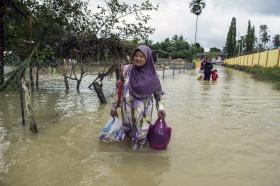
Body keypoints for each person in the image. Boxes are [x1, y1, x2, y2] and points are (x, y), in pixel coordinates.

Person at [110, 45, 166, 149]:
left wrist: (161, 108)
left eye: (142, 56)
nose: (138, 58)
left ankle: (139, 160)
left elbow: (159, 94)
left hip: (144, 113)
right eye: (136, 55)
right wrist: (114, 107)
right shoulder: (126, 69)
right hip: (127, 111)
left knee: (141, 137)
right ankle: (129, 161)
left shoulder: (153, 75)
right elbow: (119, 89)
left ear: (147, 58)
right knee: (127, 135)